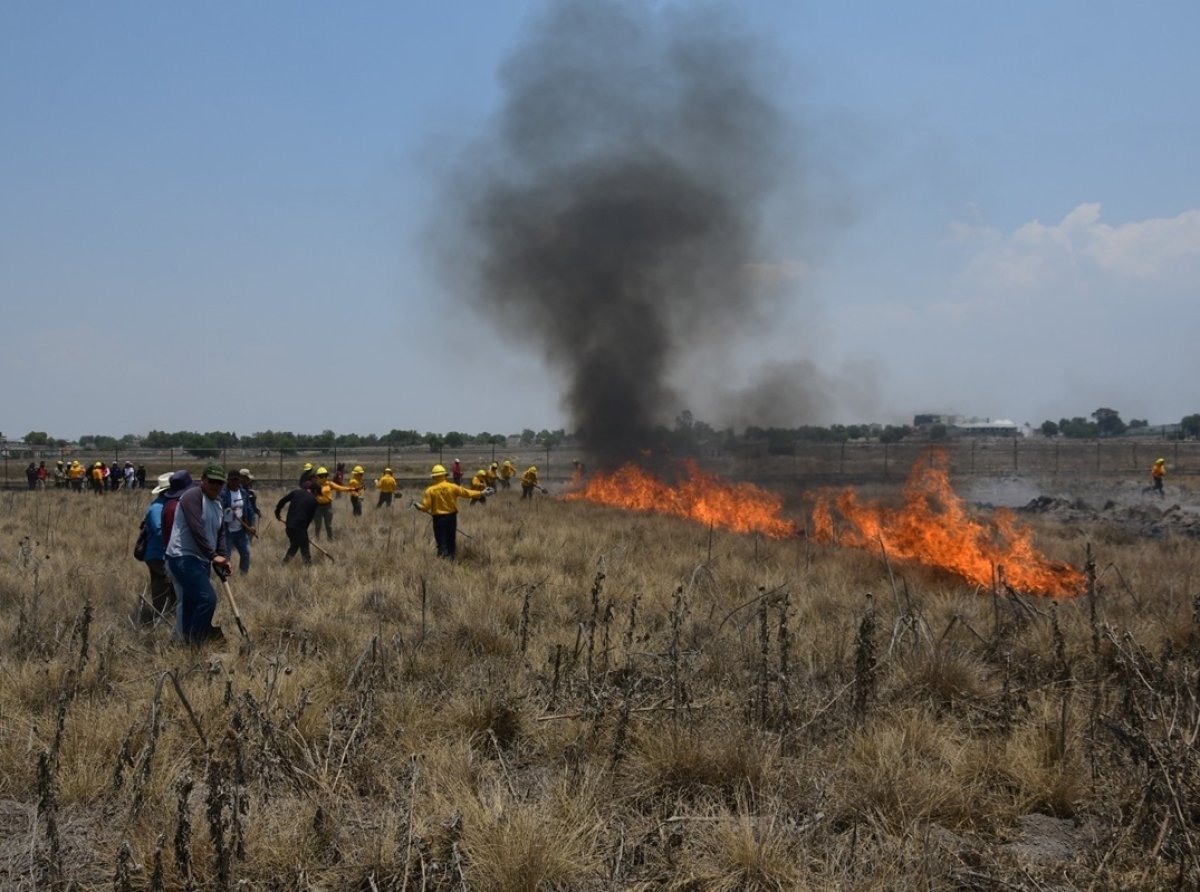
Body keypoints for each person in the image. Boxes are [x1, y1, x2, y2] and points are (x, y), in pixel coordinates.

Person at [165, 463, 230, 644]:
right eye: (212, 482)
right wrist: (212, 555)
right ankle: (197, 643)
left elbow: (221, 532)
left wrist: (223, 558)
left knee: (191, 604)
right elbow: (196, 529)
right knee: (207, 599)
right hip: (182, 557)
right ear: (202, 480)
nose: (216, 486)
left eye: (219, 483)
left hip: (201, 559)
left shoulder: (218, 502)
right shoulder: (192, 496)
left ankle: (186, 646)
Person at [417, 464, 490, 558]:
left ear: (434, 477)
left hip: (438, 519)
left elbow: (426, 507)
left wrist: (418, 506)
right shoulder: (453, 487)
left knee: (441, 541)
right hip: (451, 518)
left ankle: (443, 562)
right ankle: (451, 560)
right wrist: (481, 493)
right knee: (451, 540)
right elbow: (466, 493)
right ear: (445, 475)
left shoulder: (430, 490)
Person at [134, 472, 178, 627]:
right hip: (158, 555)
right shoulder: (157, 508)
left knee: (168, 587)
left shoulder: (167, 506)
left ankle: (166, 619)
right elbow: (160, 532)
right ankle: (161, 621)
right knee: (164, 588)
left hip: (165, 554)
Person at [219, 469, 257, 574]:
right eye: (232, 480)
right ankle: (225, 576)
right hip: (227, 531)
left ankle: (243, 575)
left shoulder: (243, 493)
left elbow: (249, 510)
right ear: (228, 480)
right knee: (226, 556)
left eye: (236, 480)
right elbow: (220, 509)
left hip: (241, 530)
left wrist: (252, 525)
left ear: (240, 480)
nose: (234, 482)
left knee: (245, 553)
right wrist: (228, 513)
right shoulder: (223, 494)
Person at [276, 480, 319, 564]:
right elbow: (309, 519)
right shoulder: (313, 501)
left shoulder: (296, 492)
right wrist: (303, 533)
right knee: (305, 549)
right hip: (299, 528)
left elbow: (282, 501)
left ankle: (284, 564)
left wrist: (277, 513)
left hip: (289, 527)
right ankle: (308, 570)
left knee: (295, 545)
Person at [312, 466, 351, 539]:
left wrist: (352, 489)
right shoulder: (314, 485)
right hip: (317, 507)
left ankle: (330, 538)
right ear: (317, 476)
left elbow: (340, 488)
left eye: (325, 475)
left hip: (327, 506)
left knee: (328, 525)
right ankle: (317, 539)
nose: (323, 477)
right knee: (318, 525)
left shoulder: (329, 484)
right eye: (321, 476)